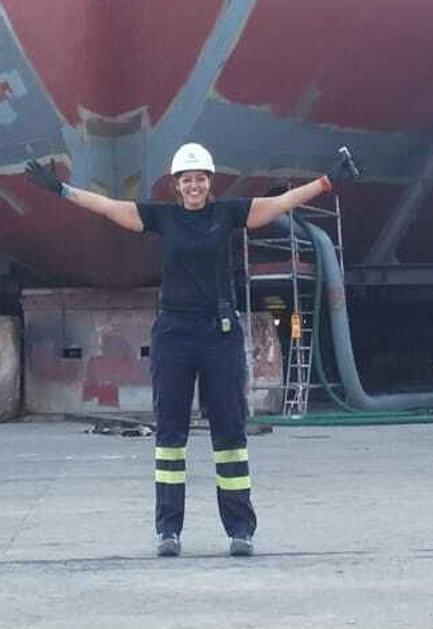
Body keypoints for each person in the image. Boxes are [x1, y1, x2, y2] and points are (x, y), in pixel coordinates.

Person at [25, 140, 356, 557]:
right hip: (174, 333)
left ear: (209, 182)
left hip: (220, 333)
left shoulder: (227, 214)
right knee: (170, 434)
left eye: (200, 178)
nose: (194, 185)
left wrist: (325, 182)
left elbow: (280, 204)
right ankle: (168, 530)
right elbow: (109, 207)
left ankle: (240, 530)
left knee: (230, 433)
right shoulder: (163, 218)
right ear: (176, 184)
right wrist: (62, 190)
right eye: (187, 179)